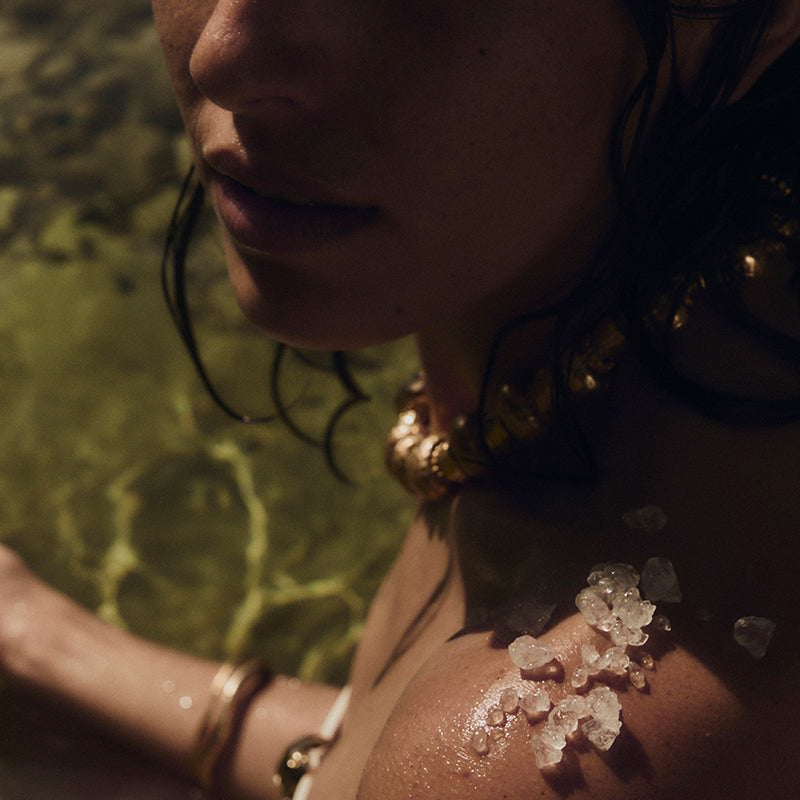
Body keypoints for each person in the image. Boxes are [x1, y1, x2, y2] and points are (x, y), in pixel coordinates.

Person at [2, 1, 800, 798]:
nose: (224, 57)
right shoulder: (656, 343)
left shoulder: (560, 742)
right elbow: (361, 761)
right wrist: (43, 640)